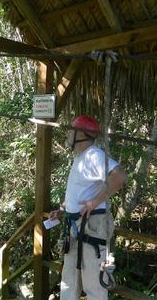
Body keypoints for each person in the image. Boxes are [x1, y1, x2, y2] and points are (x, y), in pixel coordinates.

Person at [49, 115, 126, 300]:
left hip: (92, 226)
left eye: (71, 130)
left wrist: (95, 202)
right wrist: (63, 211)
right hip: (77, 226)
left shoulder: (94, 155)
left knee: (94, 283)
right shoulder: (82, 158)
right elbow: (82, 192)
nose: (68, 133)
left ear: (81, 134)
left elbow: (119, 176)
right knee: (70, 280)